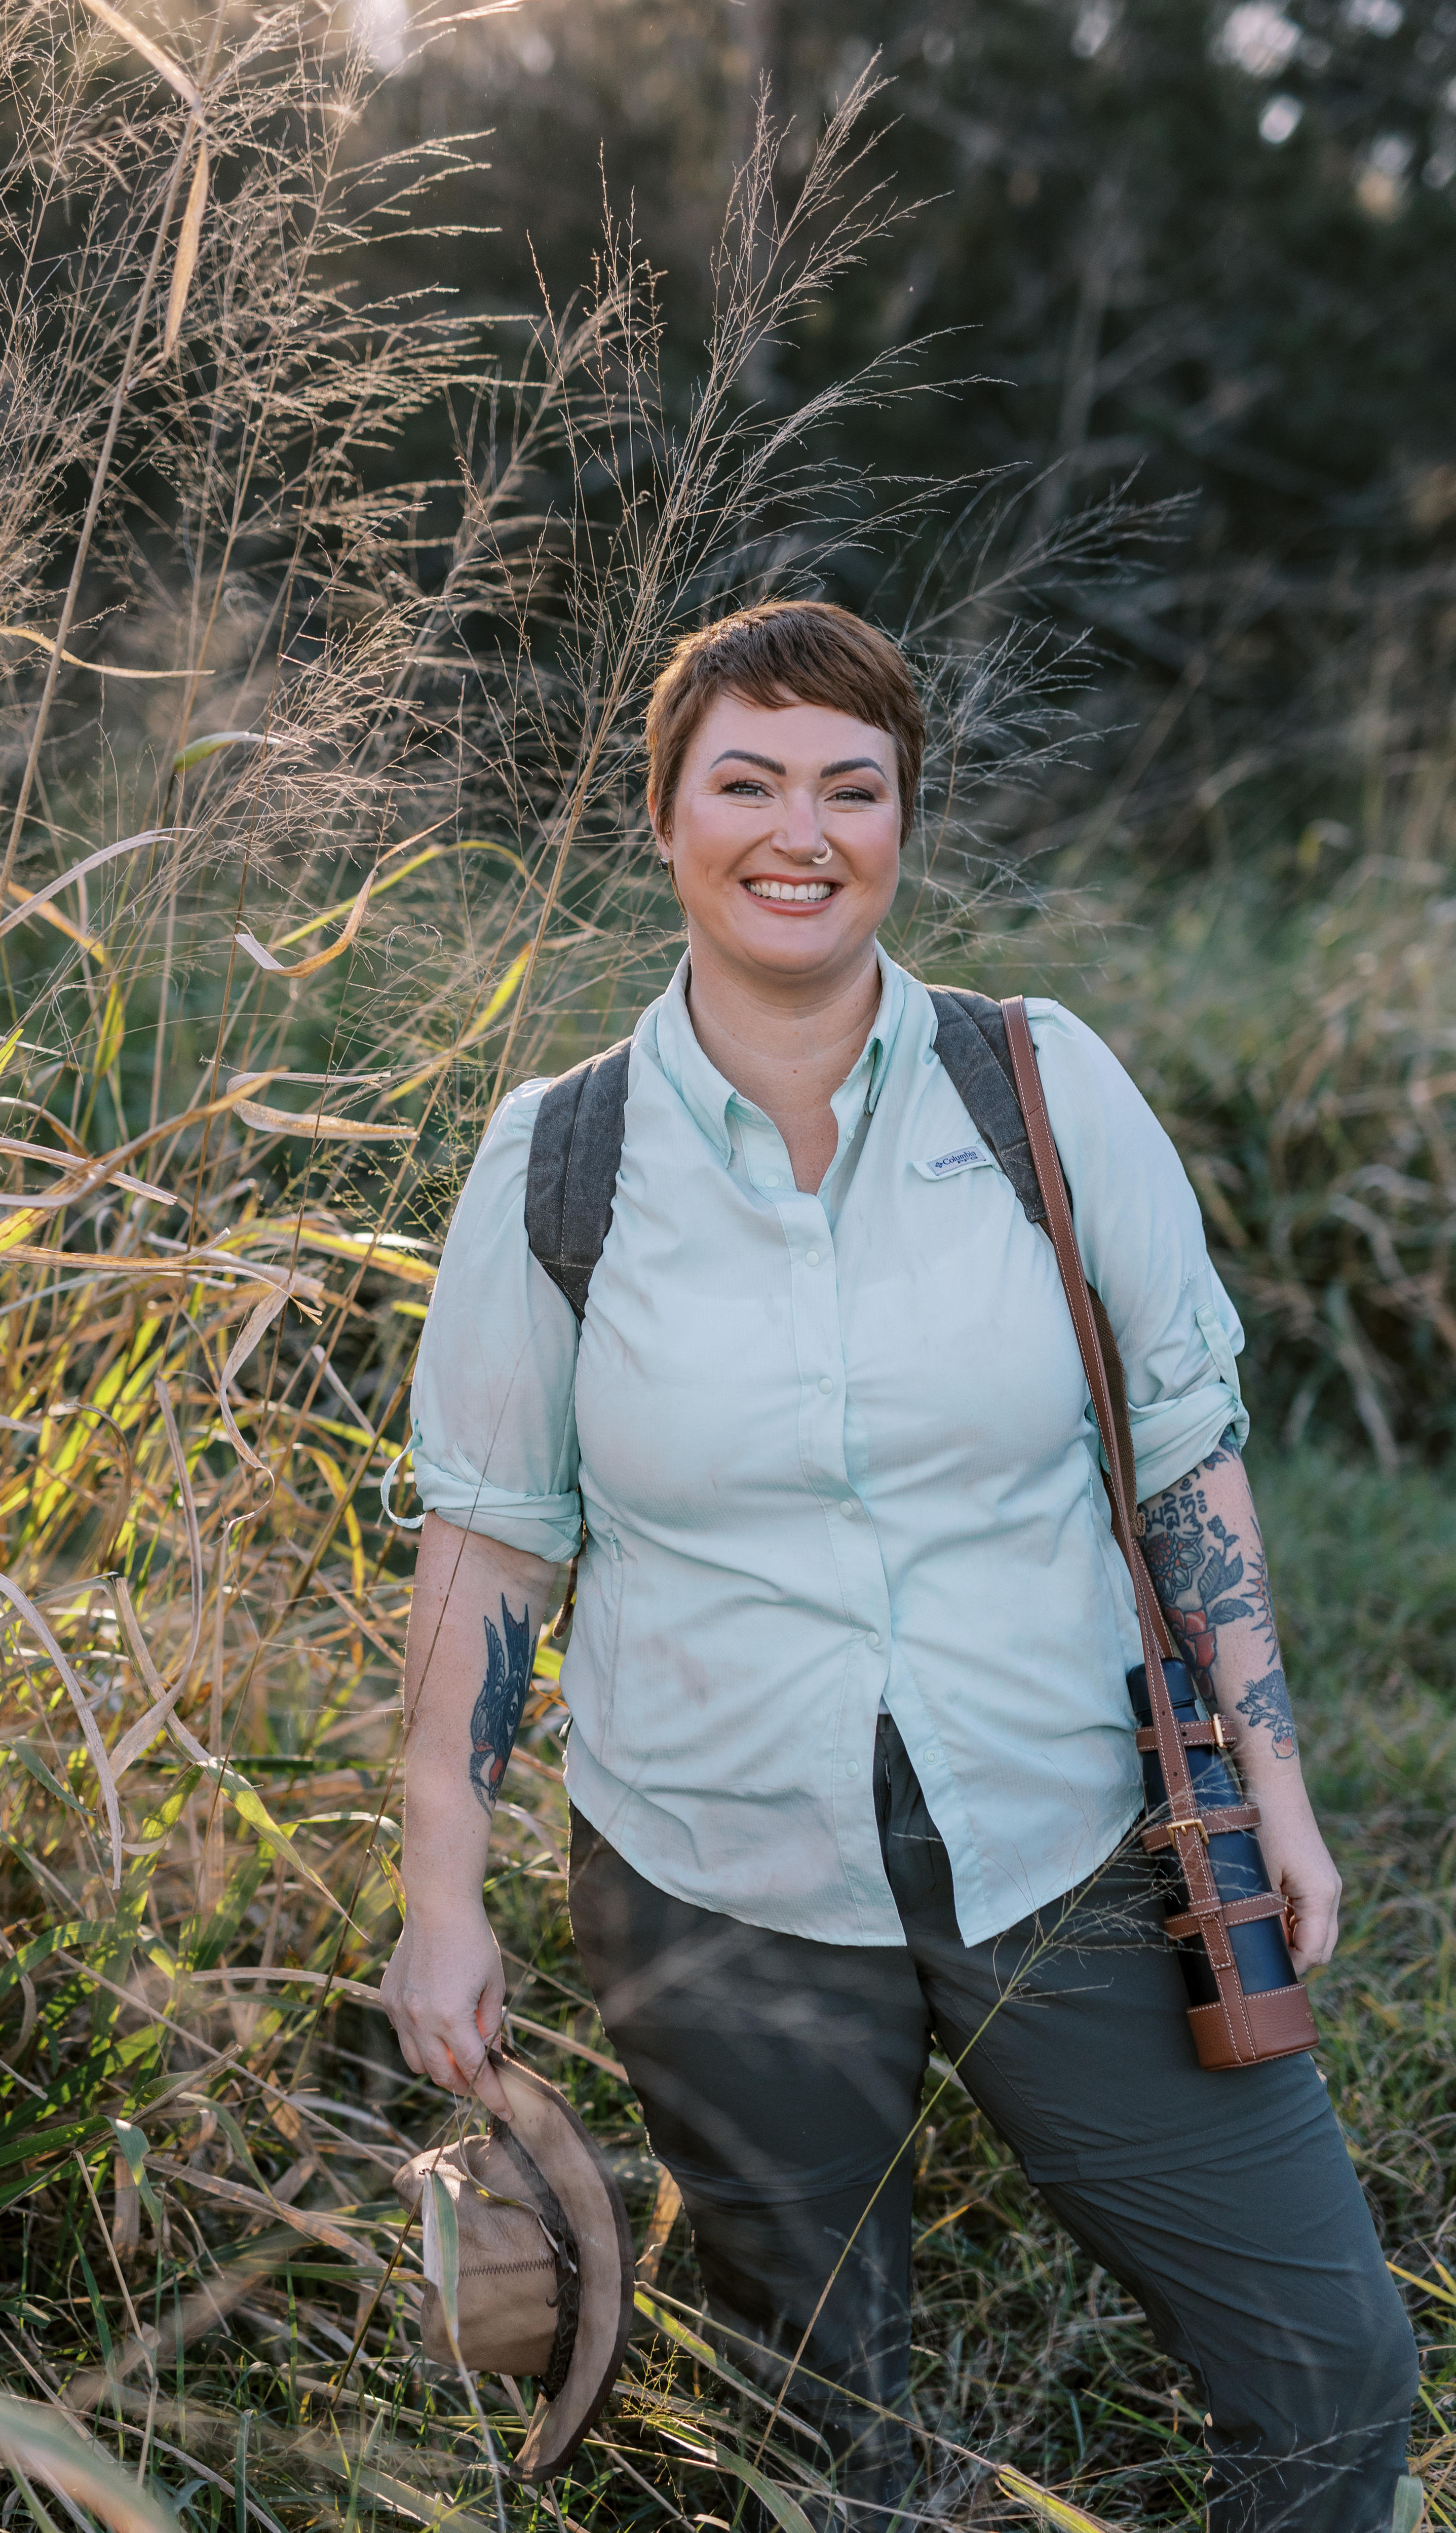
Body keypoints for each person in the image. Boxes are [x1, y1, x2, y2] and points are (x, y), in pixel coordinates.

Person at [380, 601, 1420, 2529]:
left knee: (1332, 2366)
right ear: (667, 818)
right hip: (715, 1877)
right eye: (750, 782)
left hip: (1078, 1831)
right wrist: (445, 1895)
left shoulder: (1039, 1087)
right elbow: (490, 1553)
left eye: (854, 787)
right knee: (817, 2445)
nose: (804, 830)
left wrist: (1273, 1782)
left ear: (901, 823)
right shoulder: (557, 1162)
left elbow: (1187, 1452)